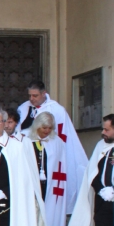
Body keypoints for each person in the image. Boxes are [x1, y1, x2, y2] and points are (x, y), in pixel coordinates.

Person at [16, 80, 87, 213]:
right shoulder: (23, 107)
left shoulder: (56, 110)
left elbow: (62, 135)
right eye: (30, 95)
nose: (31, 99)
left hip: (47, 155)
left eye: (35, 96)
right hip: (27, 154)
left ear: (44, 94)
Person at [28, 112, 69, 226]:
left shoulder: (56, 142)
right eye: (44, 127)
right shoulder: (26, 140)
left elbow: (60, 163)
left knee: (48, 209)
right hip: (31, 183)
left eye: (49, 128)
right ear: (37, 126)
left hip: (49, 184)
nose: (47, 131)